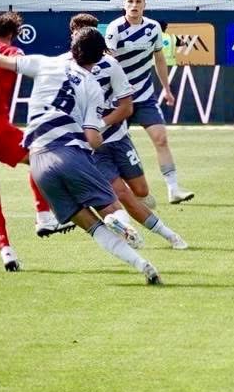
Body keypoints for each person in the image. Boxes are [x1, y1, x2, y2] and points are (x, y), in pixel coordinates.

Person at [0, 28, 162, 284]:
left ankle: (141, 264)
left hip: (39, 163)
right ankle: (121, 226)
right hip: (69, 152)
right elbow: (92, 137)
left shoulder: (45, 62)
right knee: (110, 207)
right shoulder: (92, 86)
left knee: (91, 226)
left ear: (72, 47)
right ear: (99, 58)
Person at [69, 13, 187, 249]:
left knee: (141, 192)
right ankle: (166, 235)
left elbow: (127, 107)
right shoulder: (64, 66)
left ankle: (127, 220)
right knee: (121, 193)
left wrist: (100, 124)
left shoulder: (110, 65)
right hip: (94, 147)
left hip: (119, 137)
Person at [107, 0, 193, 204]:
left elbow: (159, 59)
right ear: (124, 4)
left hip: (145, 96)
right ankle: (129, 192)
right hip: (119, 99)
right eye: (130, 1)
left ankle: (173, 189)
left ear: (144, 4)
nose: (134, 5)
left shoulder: (153, 28)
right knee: (116, 147)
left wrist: (167, 89)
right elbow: (108, 63)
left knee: (161, 138)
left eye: (138, 2)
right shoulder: (115, 29)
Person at [0, 12, 63, 240]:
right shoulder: (11, 52)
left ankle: (6, 251)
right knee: (40, 156)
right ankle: (44, 216)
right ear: (12, 33)